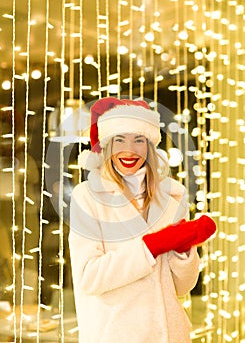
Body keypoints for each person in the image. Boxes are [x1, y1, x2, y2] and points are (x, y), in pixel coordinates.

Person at [69, 97, 216, 343]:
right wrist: (151, 246)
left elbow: (181, 288)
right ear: (106, 146)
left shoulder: (171, 199)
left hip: (171, 335)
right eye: (119, 140)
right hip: (115, 335)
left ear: (149, 145)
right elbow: (89, 278)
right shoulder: (88, 197)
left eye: (138, 140)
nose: (129, 150)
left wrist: (182, 252)